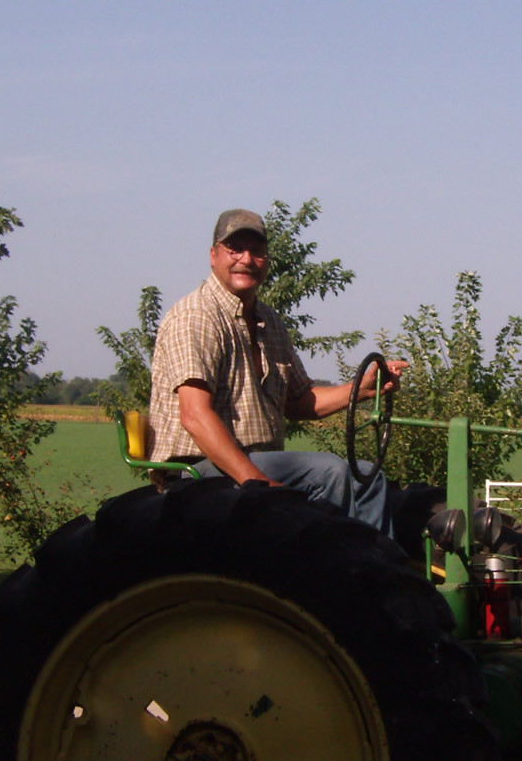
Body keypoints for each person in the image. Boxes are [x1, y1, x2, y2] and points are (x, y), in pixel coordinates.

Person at [146, 208, 405, 532]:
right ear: (213, 256)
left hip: (257, 462)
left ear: (266, 260)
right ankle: (329, 576)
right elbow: (194, 416)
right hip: (196, 473)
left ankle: (376, 573)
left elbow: (299, 401)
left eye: (256, 251)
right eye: (235, 249)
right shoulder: (197, 317)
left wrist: (361, 389)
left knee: (368, 478)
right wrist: (258, 483)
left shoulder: (269, 322)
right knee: (330, 472)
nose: (246, 258)